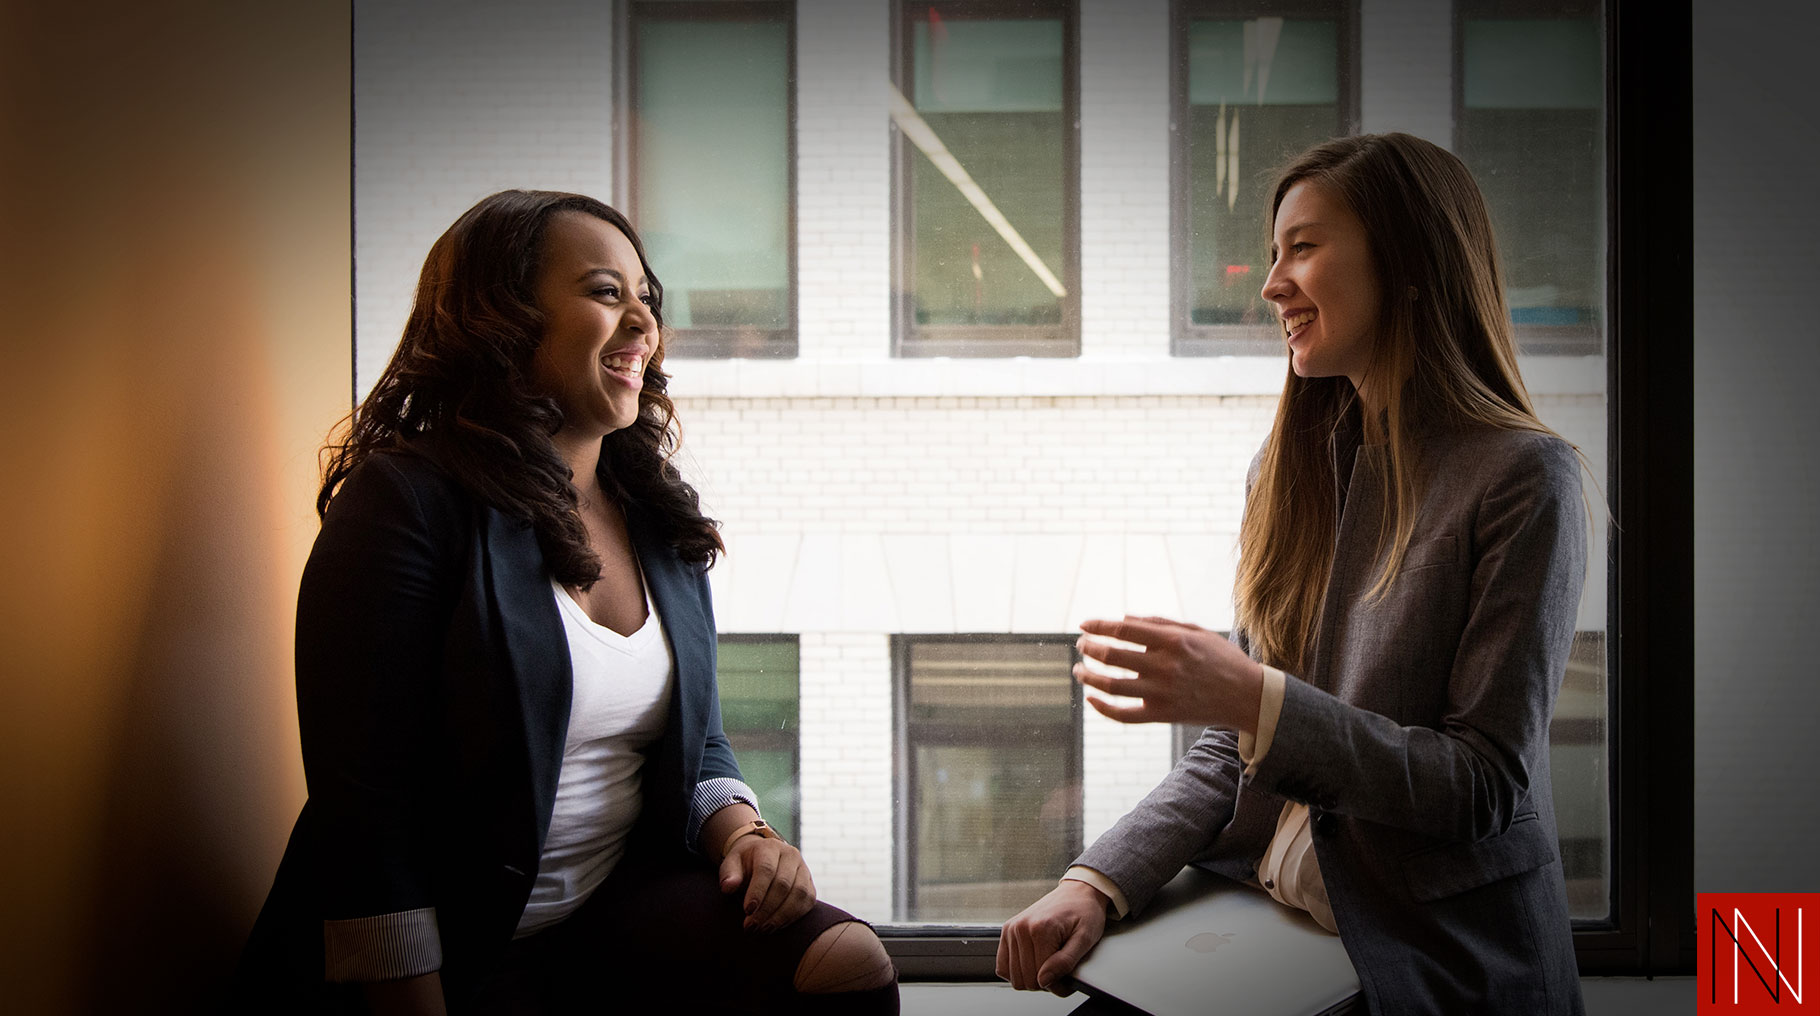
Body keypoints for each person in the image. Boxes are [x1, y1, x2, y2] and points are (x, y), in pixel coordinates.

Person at [232, 190, 898, 1014]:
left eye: (646, 299)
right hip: (441, 953)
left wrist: (748, 835)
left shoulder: (654, 513)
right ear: (501, 319)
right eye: (605, 292)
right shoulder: (405, 502)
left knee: (847, 962)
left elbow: (696, 740)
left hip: (599, 918)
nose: (643, 325)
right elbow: (369, 814)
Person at [997, 133, 1589, 1015]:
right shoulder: (1292, 468)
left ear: (1410, 260)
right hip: (1267, 922)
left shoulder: (1524, 479)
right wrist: (1095, 882)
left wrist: (1256, 702)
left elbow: (1481, 786)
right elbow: (1229, 754)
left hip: (1426, 955)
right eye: (1275, 254)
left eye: (1303, 248)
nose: (1271, 283)